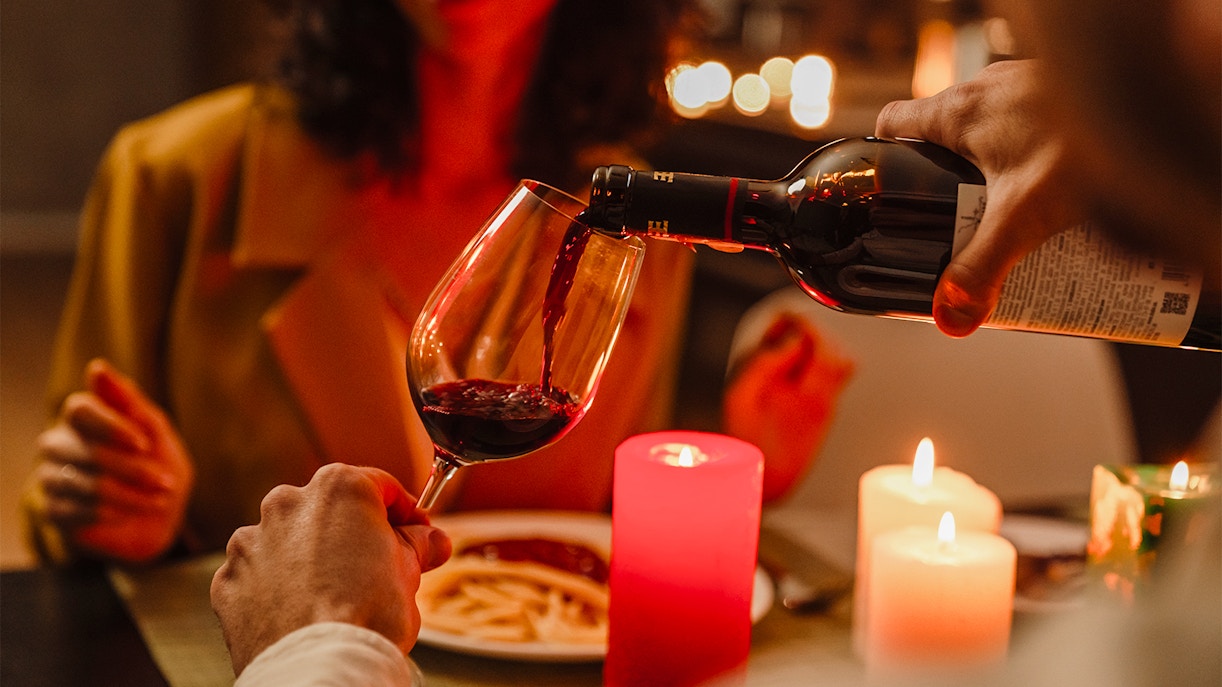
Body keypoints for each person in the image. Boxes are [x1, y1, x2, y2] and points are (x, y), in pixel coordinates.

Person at [24, 0, 844, 566]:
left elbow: (583, 559)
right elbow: (66, 509)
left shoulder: (631, 223)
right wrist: (118, 512)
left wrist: (744, 470)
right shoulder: (177, 179)